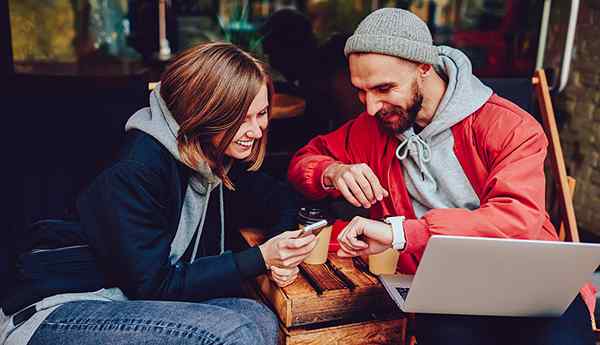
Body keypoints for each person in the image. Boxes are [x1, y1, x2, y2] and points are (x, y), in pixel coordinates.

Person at [287, 8, 596, 345]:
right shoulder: (372, 127)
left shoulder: (511, 126)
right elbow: (302, 163)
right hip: (443, 285)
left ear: (424, 67)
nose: (371, 107)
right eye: (361, 91)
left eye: (384, 88)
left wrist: (401, 232)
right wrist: (333, 171)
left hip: (529, 276)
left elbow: (516, 219)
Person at [2, 42, 318, 345]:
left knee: (259, 318)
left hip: (126, 302)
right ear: (205, 112)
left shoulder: (215, 158)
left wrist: (281, 253)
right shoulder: (137, 169)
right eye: (240, 118)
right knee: (232, 333)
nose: (256, 130)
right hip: (61, 310)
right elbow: (154, 285)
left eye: (261, 114)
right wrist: (261, 256)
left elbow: (280, 198)